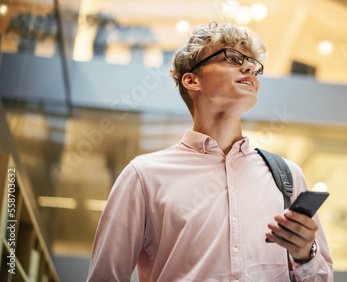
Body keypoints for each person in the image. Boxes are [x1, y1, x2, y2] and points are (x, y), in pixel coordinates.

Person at [87, 21, 333, 281]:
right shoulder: (144, 176)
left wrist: (306, 254)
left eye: (252, 64)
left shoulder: (287, 176)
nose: (249, 67)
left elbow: (323, 277)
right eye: (232, 57)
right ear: (192, 80)